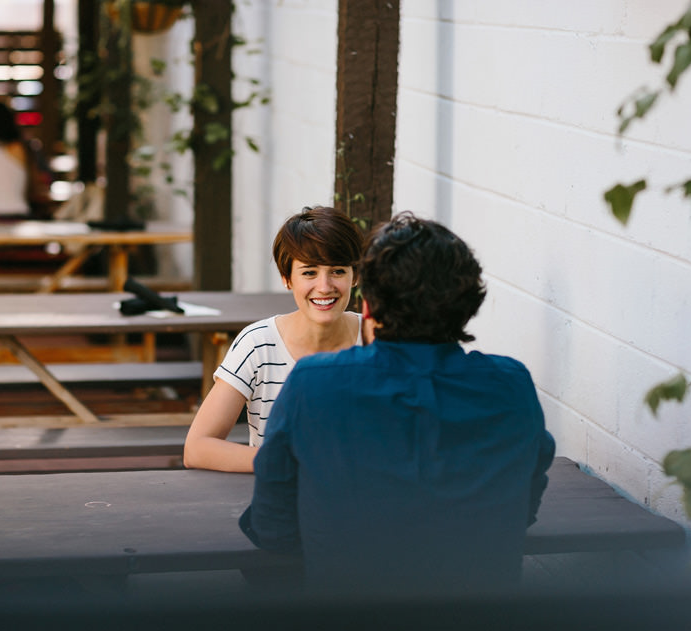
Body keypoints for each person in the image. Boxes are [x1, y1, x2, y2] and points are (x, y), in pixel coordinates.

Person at [239, 213, 555, 591]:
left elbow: (273, 527)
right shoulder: (511, 385)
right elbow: (525, 506)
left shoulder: (313, 382)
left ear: (367, 306)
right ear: (468, 305)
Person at [182, 206, 365, 472]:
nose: (324, 286)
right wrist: (290, 461)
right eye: (309, 272)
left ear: (355, 275)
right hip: (281, 501)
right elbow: (197, 448)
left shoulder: (382, 341)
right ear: (286, 278)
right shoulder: (258, 344)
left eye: (337, 271)